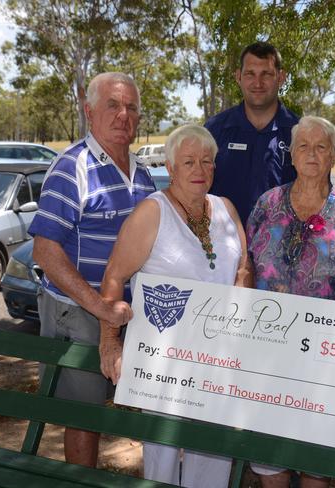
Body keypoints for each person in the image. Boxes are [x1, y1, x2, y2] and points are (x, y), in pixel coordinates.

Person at [98, 124, 252, 487]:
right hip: (165, 362)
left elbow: (244, 264)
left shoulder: (226, 208)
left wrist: (241, 300)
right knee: (163, 455)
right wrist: (110, 342)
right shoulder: (153, 213)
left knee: (213, 450)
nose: (199, 170)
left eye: (206, 161)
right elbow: (114, 276)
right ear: (170, 166)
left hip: (219, 360)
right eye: (188, 162)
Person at [28, 72, 155, 467]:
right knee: (83, 418)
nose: (123, 115)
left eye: (131, 107)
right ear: (89, 112)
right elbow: (45, 251)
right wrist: (99, 307)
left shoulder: (143, 173)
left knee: (129, 406)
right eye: (112, 106)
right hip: (80, 310)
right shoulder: (72, 167)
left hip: (127, 312)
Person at [246, 115, 335, 488]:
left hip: (323, 360)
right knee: (270, 456)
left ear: (334, 156)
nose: (312, 154)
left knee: (314, 461)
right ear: (291, 155)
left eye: (322, 147)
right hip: (267, 355)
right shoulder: (267, 204)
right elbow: (246, 269)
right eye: (303, 146)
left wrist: (325, 344)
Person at [205, 41, 299, 226]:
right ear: (238, 77)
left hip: (284, 250)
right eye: (250, 74)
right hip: (224, 248)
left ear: (281, 77)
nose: (258, 83)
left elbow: (318, 194)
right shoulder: (214, 130)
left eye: (266, 74)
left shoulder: (301, 133)